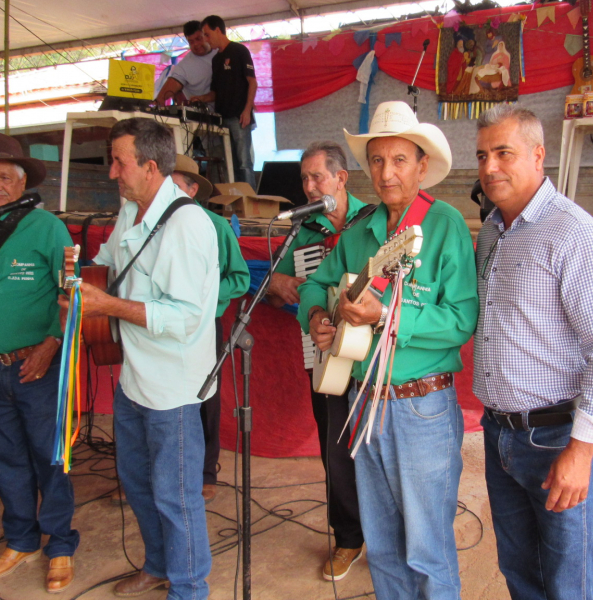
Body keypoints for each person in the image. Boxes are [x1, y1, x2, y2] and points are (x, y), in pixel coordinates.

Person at [297, 101, 478, 599]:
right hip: (363, 399)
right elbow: (316, 287)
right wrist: (317, 317)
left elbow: (463, 320)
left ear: (422, 166)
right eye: (377, 160)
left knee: (427, 546)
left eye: (399, 160)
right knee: (382, 545)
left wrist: (387, 316)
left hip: (421, 406)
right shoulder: (359, 232)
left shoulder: (445, 226)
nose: (386, 172)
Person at [473, 104, 593, 600]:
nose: (490, 168)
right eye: (482, 156)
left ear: (539, 155)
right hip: (499, 431)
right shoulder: (492, 232)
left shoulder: (575, 234)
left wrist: (581, 452)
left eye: (504, 153)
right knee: (519, 568)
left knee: (566, 579)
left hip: (555, 438)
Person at [70, 118, 218, 600]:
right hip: (134, 377)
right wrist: (79, 277)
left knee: (176, 497)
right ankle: (158, 565)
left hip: (173, 387)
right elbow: (110, 262)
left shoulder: (187, 223)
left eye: (120, 162)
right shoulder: (129, 209)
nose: (112, 172)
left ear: (151, 167)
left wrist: (106, 305)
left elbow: (185, 319)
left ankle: (189, 588)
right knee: (137, 483)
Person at [0, 132, 79, 593]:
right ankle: (21, 538)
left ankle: (60, 544)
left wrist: (51, 343)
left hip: (37, 366)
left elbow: (72, 294)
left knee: (50, 458)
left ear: (23, 180)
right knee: (5, 458)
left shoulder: (47, 228)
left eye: (5, 176)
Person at [267, 141, 372, 582]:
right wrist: (280, 282)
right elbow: (278, 284)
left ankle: (390, 533)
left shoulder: (375, 220)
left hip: (373, 354)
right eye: (304, 180)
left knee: (381, 446)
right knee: (335, 445)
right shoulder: (304, 232)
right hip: (326, 351)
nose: (309, 188)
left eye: (317, 178)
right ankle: (349, 536)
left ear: (341, 179)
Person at [171, 153, 249, 504]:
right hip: (158, 325)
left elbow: (241, 278)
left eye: (174, 188)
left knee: (205, 396)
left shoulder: (215, 227)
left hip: (202, 325)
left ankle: (206, 469)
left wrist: (202, 296)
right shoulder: (150, 227)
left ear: (192, 190)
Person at [191, 15, 257, 188]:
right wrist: (201, 99)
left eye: (207, 34)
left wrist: (247, 110)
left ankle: (252, 203)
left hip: (239, 116)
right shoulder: (216, 60)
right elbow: (216, 92)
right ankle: (236, 201)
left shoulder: (239, 51)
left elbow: (252, 82)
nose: (205, 39)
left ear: (218, 30)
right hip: (222, 118)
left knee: (244, 162)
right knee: (230, 163)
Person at [155, 21, 217, 105]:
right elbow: (164, 95)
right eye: (191, 42)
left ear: (206, 36)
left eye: (198, 39)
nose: (196, 44)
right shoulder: (184, 66)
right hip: (203, 116)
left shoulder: (221, 52)